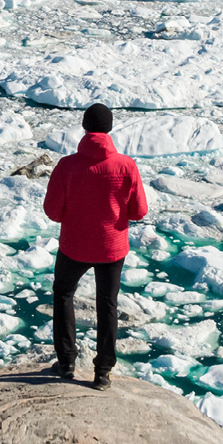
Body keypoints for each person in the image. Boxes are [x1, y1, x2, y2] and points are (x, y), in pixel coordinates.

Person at [43, 102, 148, 390]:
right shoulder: (126, 166)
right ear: (110, 129)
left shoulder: (67, 166)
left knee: (64, 294)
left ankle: (66, 363)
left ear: (85, 127)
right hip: (111, 248)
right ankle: (102, 372)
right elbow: (139, 211)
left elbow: (52, 211)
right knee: (108, 304)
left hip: (74, 246)